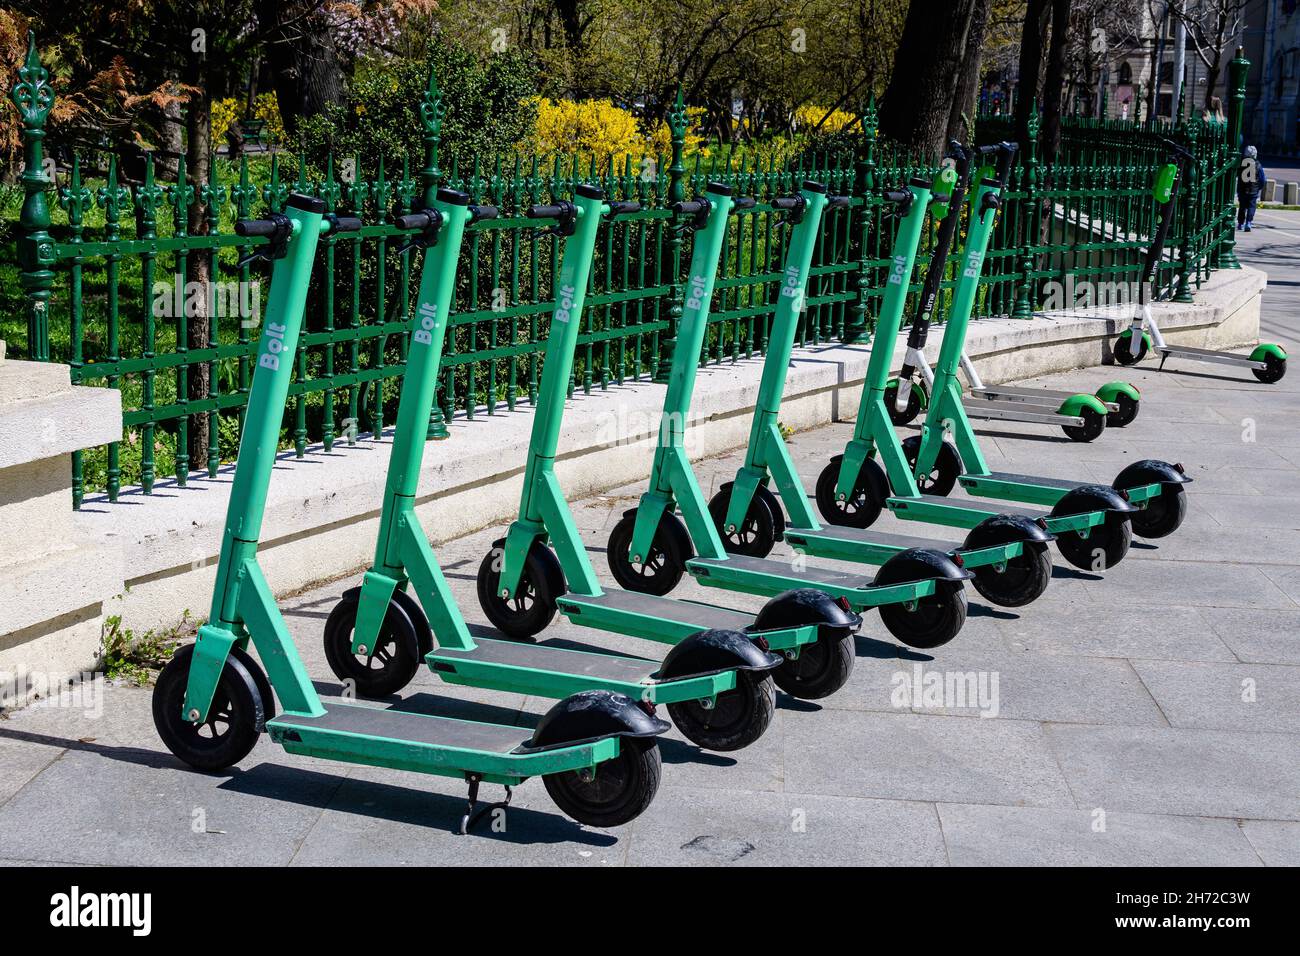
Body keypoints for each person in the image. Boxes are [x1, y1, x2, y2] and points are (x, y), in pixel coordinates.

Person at [1238, 145, 1267, 232]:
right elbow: (1262, 179)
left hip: (1243, 189)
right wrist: (1259, 187)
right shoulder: (1258, 164)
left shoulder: (1242, 164)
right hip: (1253, 190)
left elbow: (1238, 176)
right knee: (1251, 206)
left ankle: (1240, 223)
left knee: (1242, 207)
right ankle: (1249, 222)